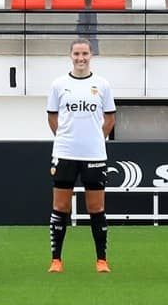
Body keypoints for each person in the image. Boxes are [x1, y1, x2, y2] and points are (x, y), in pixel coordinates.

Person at [46, 38, 117, 273]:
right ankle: (56, 260)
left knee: (96, 208)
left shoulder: (102, 85)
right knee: (61, 206)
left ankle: (101, 260)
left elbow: (110, 119)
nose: (80, 58)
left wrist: (95, 139)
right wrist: (66, 138)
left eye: (84, 54)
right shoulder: (58, 84)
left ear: (91, 55)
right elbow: (52, 118)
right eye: (76, 54)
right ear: (70, 56)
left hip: (94, 154)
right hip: (65, 154)